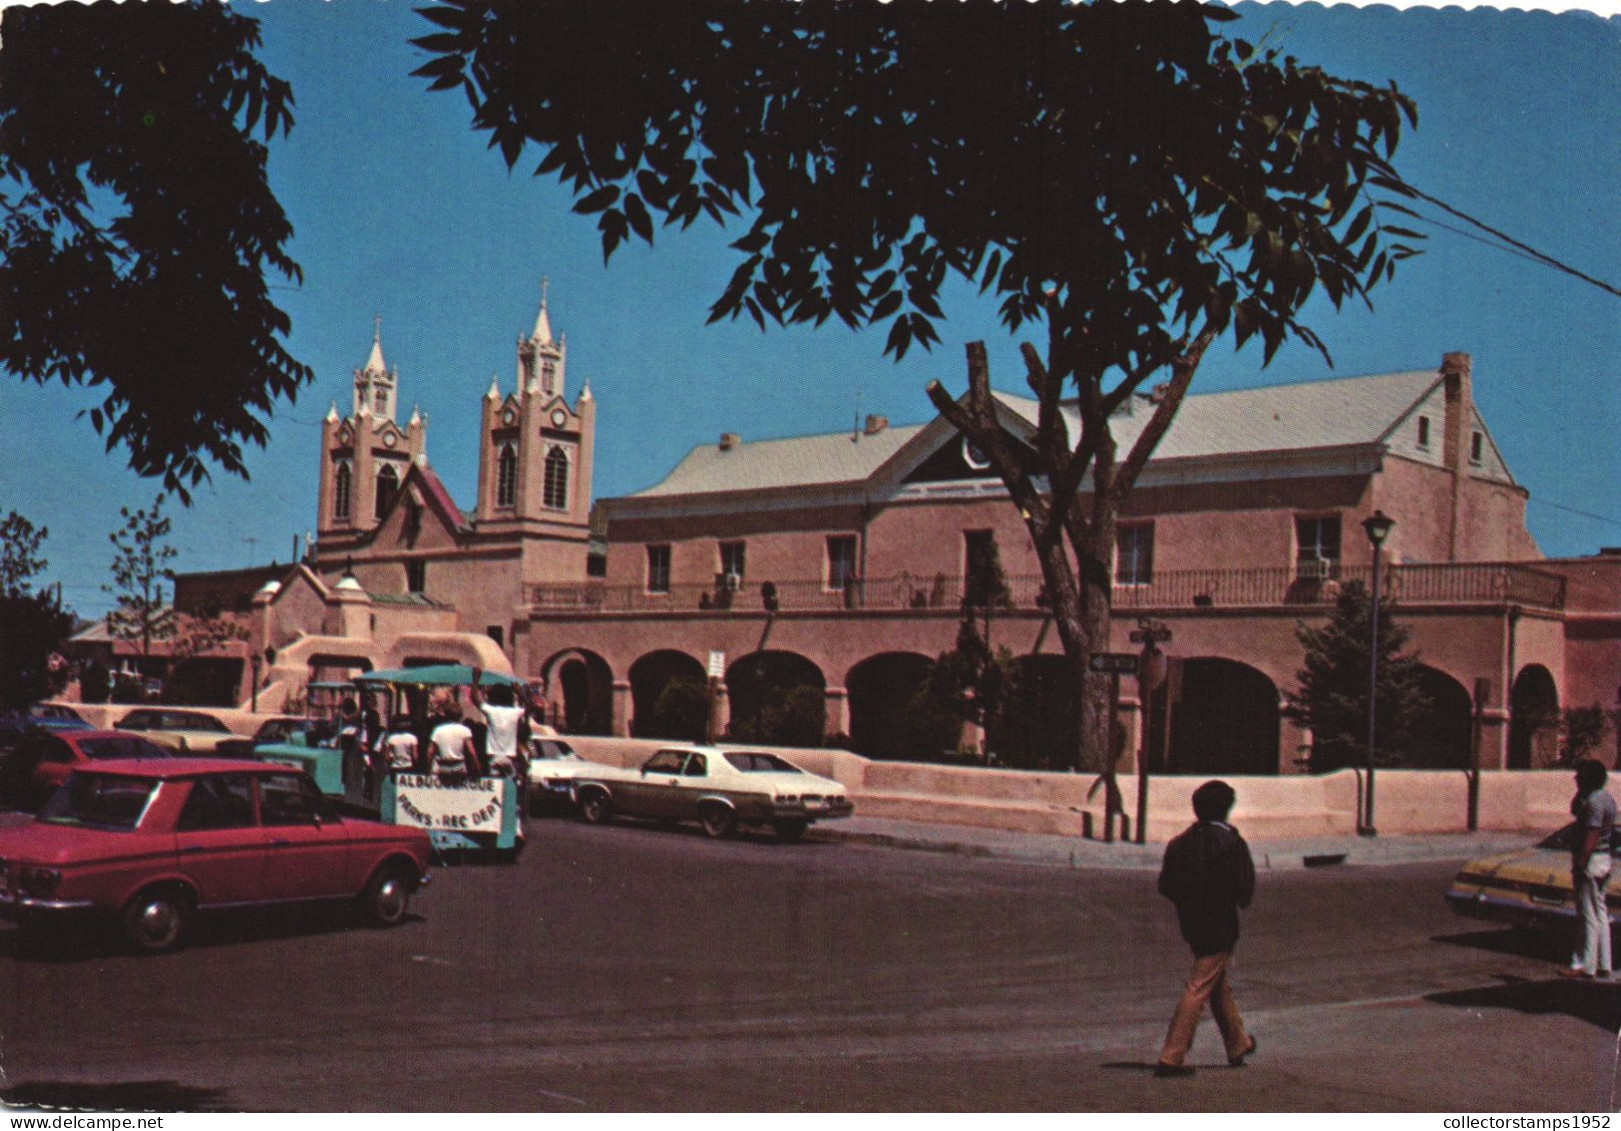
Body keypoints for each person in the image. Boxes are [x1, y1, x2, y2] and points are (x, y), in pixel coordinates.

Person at [1154, 779, 1257, 1078]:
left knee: (1215, 981)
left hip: (1192, 922)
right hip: (1221, 923)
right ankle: (1171, 1056)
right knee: (1199, 985)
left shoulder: (1180, 843)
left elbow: (1166, 885)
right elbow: (1244, 890)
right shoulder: (1232, 842)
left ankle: (1238, 1043)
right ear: (1227, 809)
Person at [1563, 758, 1617, 980]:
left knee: (1587, 915)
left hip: (1591, 860)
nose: (1575, 778)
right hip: (1604, 859)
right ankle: (1604, 963)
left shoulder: (1594, 803)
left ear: (1587, 778)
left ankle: (1588, 966)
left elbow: (1591, 835)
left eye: (1579, 775)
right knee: (1600, 912)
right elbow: (1575, 810)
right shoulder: (1605, 799)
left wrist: (1581, 863)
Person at [469, 668, 526, 779]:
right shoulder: (515, 712)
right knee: (511, 786)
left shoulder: (491, 711)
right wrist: (519, 692)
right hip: (509, 757)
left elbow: (474, 697)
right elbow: (532, 706)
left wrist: (475, 678)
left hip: (494, 756)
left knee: (495, 786)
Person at [428, 701, 479, 780]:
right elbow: (471, 752)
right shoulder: (465, 730)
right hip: (458, 767)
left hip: (443, 767)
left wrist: (428, 769)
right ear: (460, 716)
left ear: (446, 715)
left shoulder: (438, 730)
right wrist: (477, 768)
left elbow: (430, 752)